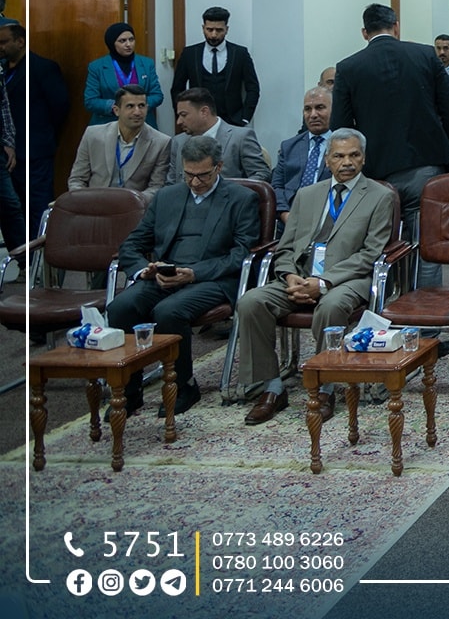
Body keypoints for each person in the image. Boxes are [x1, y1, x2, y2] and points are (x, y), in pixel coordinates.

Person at [235, 129, 398, 425]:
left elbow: (370, 253)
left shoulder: (380, 196)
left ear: (363, 158)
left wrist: (323, 283)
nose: (346, 162)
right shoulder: (307, 195)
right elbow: (285, 247)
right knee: (250, 302)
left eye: (354, 155)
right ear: (327, 160)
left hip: (347, 278)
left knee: (331, 305)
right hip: (299, 275)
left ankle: (326, 387)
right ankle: (271, 387)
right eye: (339, 156)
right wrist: (289, 277)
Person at [105, 134, 258, 415]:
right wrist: (143, 269)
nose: (195, 182)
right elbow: (132, 244)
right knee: (121, 307)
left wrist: (193, 273)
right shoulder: (167, 197)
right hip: (165, 274)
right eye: (189, 175)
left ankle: (183, 385)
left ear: (219, 167)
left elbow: (240, 255)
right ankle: (130, 388)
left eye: (203, 175)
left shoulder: (241, 199)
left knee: (169, 311)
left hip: (212, 278)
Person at [329, 2, 449, 292]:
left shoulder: (348, 67)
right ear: (396, 27)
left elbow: (341, 128)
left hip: (375, 174)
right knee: (426, 245)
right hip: (425, 166)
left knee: (377, 245)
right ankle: (425, 313)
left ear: (364, 33)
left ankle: (383, 306)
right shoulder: (425, 54)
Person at [0, 20, 68, 236]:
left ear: (20, 41)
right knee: (11, 208)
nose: (0, 47)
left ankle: (40, 254)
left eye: (4, 42)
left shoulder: (43, 68)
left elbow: (59, 107)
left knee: (38, 206)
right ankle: (21, 253)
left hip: (35, 151)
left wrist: (44, 136)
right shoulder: (2, 70)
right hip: (6, 153)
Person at [169, 5, 261, 126]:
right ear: (203, 28)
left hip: (233, 121)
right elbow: (177, 88)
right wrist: (182, 116)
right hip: (198, 120)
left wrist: (245, 118)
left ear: (226, 29)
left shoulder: (240, 53)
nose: (213, 35)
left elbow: (253, 88)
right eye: (209, 29)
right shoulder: (190, 54)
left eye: (219, 30)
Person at [70, 83, 169, 193]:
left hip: (135, 202)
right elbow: (77, 179)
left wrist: (135, 201)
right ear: (116, 110)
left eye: (141, 106)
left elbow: (156, 187)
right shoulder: (93, 135)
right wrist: (85, 200)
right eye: (130, 106)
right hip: (95, 200)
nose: (137, 112)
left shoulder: (161, 143)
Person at [166, 87, 271, 184]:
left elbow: (261, 174)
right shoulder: (178, 141)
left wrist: (236, 192)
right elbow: (171, 183)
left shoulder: (240, 138)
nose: (179, 122)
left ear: (204, 112)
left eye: (183, 115)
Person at [269, 87, 334, 214]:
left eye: (320, 107)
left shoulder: (345, 146)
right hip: (291, 214)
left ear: (333, 110)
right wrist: (285, 214)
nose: (313, 115)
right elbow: (277, 187)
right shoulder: (289, 146)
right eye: (308, 109)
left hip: (328, 214)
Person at [83, 22, 163, 125]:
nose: (128, 44)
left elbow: (157, 95)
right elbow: (90, 101)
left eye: (131, 39)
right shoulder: (97, 67)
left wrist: (138, 105)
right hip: (109, 123)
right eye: (122, 41)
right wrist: (118, 106)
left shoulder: (147, 63)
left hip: (142, 124)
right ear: (112, 43)